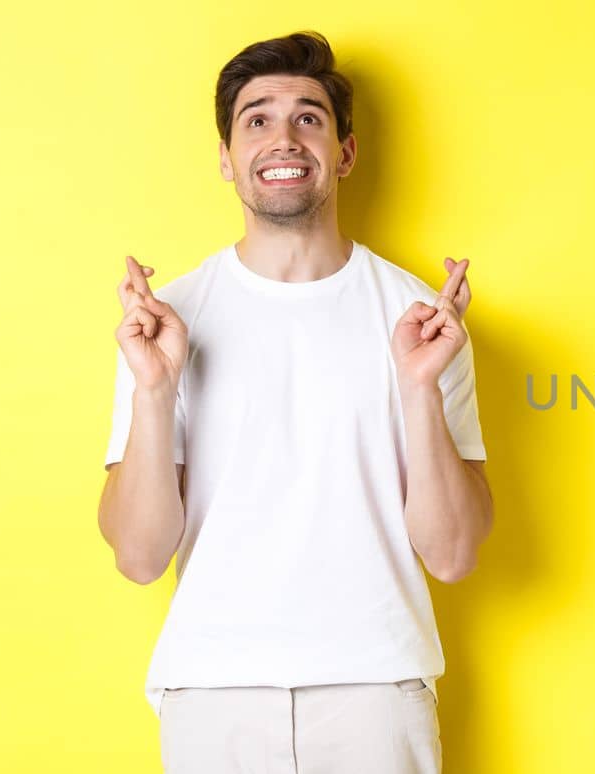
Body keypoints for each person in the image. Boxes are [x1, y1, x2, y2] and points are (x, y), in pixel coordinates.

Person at [96, 30, 494, 773]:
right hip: (212, 693)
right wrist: (155, 391)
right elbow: (140, 556)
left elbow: (454, 553)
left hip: (378, 689)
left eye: (309, 116)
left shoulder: (421, 320)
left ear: (344, 152)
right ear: (225, 157)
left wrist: (419, 389)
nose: (284, 136)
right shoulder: (167, 321)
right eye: (257, 118)